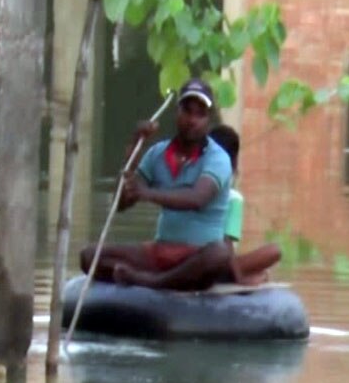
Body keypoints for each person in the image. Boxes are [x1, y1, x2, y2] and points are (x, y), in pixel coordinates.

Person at [79, 78, 234, 290]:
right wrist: (134, 147)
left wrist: (147, 193)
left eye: (200, 114)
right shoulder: (157, 154)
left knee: (220, 253)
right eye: (187, 111)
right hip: (161, 251)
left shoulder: (218, 158)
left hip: (197, 255)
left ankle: (149, 281)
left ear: (209, 120)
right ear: (177, 113)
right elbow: (121, 203)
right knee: (89, 256)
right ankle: (156, 277)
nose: (192, 120)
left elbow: (197, 198)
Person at [208, 124, 281, 286]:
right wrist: (239, 278)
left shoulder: (197, 190)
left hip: (195, 261)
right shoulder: (233, 198)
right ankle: (234, 274)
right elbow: (226, 244)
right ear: (234, 164)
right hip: (219, 265)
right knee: (274, 251)